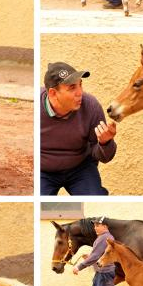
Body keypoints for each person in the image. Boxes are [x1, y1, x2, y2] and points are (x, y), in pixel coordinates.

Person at [40, 62, 117, 195]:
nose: (80, 92)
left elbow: (104, 157)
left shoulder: (91, 106)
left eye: (80, 85)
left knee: (95, 199)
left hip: (80, 168)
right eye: (72, 88)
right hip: (43, 170)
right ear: (53, 93)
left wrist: (105, 143)